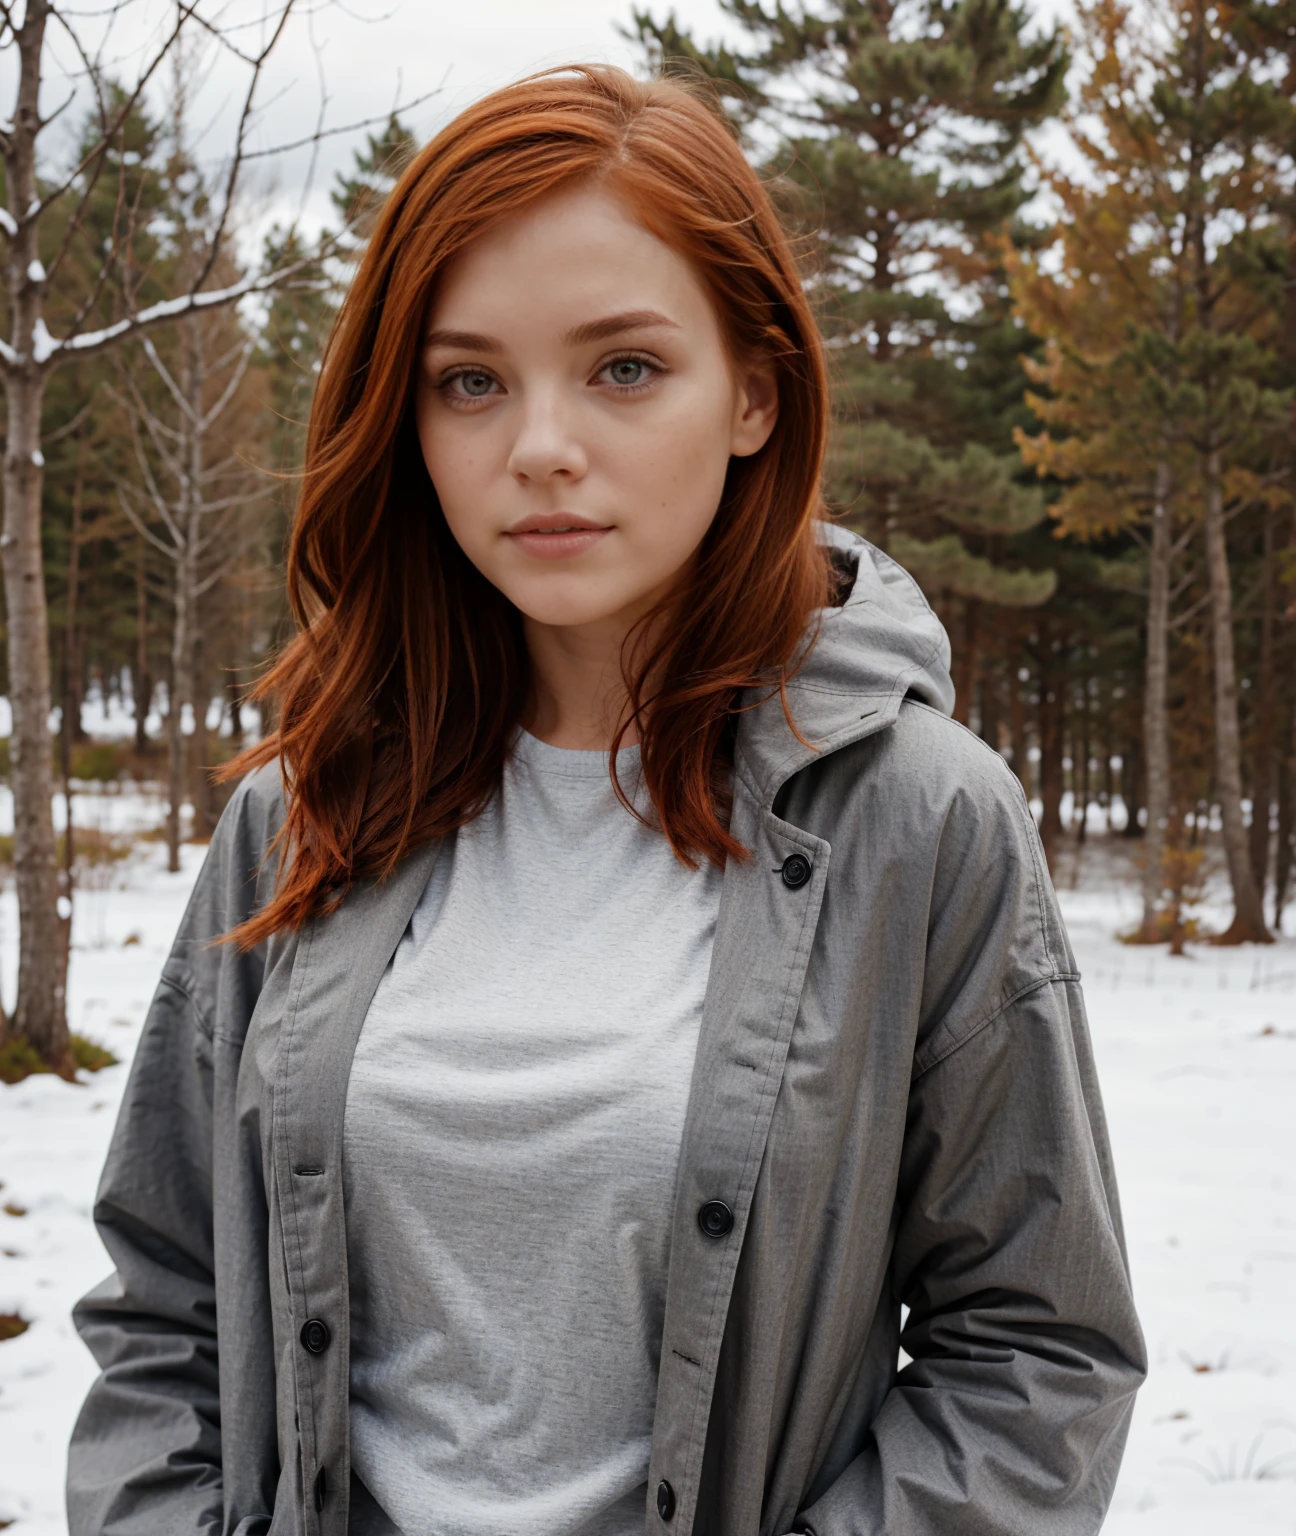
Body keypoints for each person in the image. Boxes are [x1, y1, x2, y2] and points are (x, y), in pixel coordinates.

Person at [66, 64, 1145, 1536]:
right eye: (470, 380)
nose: (541, 447)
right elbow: (166, 1303)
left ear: (756, 392)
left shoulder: (921, 825)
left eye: (624, 368)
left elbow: (1036, 1357)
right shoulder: (304, 810)